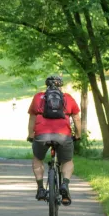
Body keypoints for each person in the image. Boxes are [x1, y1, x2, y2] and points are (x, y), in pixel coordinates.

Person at [27, 74, 81, 204]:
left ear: (46, 85)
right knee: (67, 161)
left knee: (37, 159)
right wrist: (78, 134)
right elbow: (77, 119)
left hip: (41, 135)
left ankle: (40, 188)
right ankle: (65, 185)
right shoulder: (68, 98)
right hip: (63, 136)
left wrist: (30, 134)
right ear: (61, 85)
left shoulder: (38, 97)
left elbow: (32, 119)